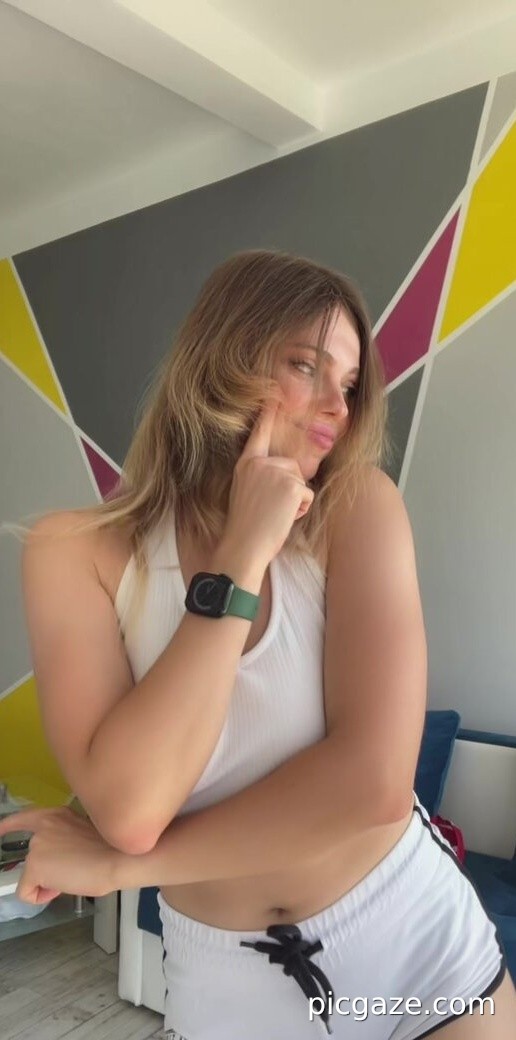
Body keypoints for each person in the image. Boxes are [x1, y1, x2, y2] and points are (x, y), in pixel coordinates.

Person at [0, 250, 514, 1038]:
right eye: (306, 365)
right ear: (223, 358)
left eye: (349, 384)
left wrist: (124, 868)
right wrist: (243, 552)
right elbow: (131, 809)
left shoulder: (360, 508)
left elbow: (374, 784)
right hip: (228, 990)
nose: (337, 405)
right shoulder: (74, 552)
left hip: (419, 949)